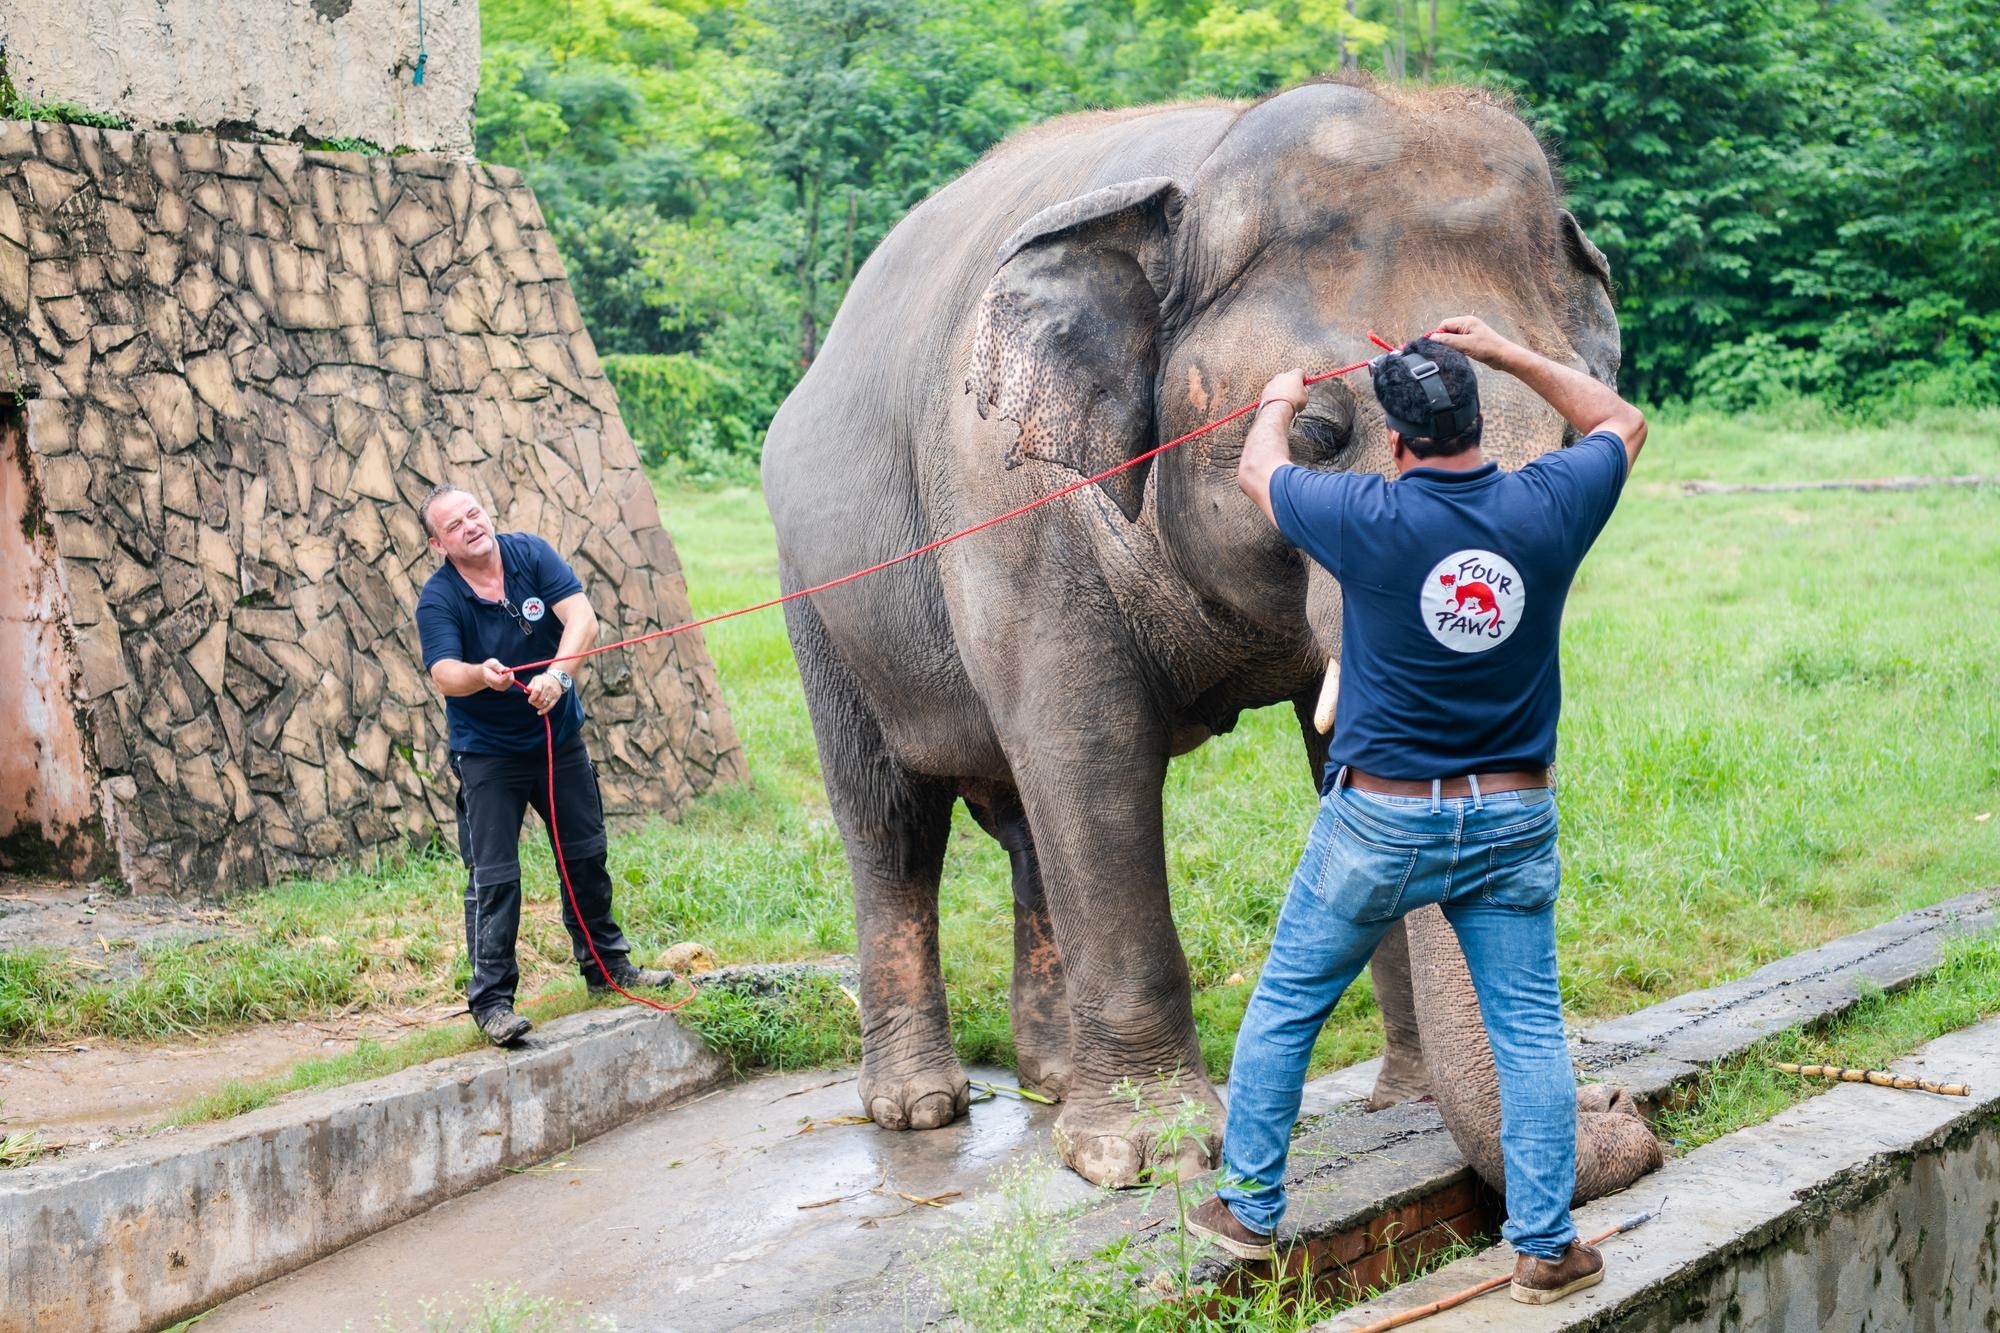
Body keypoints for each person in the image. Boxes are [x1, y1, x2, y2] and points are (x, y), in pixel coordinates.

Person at [1187, 317, 1646, 1306]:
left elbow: (1256, 473)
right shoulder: (1548, 501)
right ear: (1482, 418)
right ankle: (1545, 1246)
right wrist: (1512, 353)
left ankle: (1248, 1211)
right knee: (1525, 1033)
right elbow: (1618, 419)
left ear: (1393, 443)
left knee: (1284, 1007)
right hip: (1513, 815)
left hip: (1379, 823)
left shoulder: (1365, 513)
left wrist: (1276, 396)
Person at [414, 485, 673, 1047]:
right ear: (439, 544)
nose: (470, 526)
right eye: (454, 526)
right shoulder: (439, 599)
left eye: (473, 513)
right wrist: (482, 674)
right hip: (487, 755)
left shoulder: (530, 553)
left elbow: (582, 619)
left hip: (557, 739)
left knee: (585, 855)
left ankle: (608, 970)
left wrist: (558, 675)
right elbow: (442, 674)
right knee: (495, 877)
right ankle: (492, 1003)